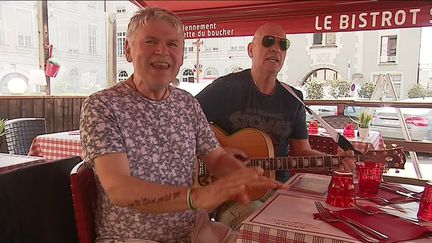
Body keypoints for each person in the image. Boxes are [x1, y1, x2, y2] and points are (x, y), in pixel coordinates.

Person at [79, 8, 279, 243]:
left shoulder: (186, 103)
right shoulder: (102, 105)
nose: (161, 51)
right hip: (131, 238)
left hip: (191, 231)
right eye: (150, 41)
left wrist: (241, 177)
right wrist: (195, 197)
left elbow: (215, 158)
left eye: (173, 44)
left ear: (182, 56)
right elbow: (119, 188)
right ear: (129, 51)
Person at [196, 23, 356, 229]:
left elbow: (301, 151)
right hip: (233, 195)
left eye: (283, 44)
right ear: (251, 50)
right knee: (263, 228)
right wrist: (218, 152)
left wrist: (334, 160)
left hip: (280, 189)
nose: (275, 48)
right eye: (268, 41)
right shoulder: (226, 88)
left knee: (323, 223)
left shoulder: (293, 98)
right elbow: (185, 121)